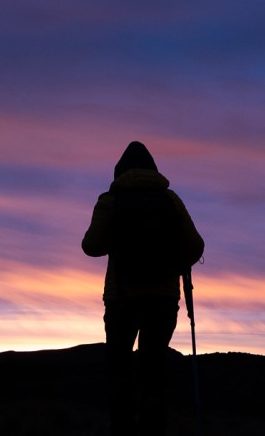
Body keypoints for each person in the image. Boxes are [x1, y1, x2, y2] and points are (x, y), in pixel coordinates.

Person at [83, 141, 206, 436]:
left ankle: (123, 428)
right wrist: (172, 261)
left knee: (120, 371)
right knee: (154, 370)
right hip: (163, 300)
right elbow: (196, 246)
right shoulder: (170, 200)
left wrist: (120, 240)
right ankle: (153, 429)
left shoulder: (110, 201)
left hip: (121, 299)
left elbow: (91, 246)